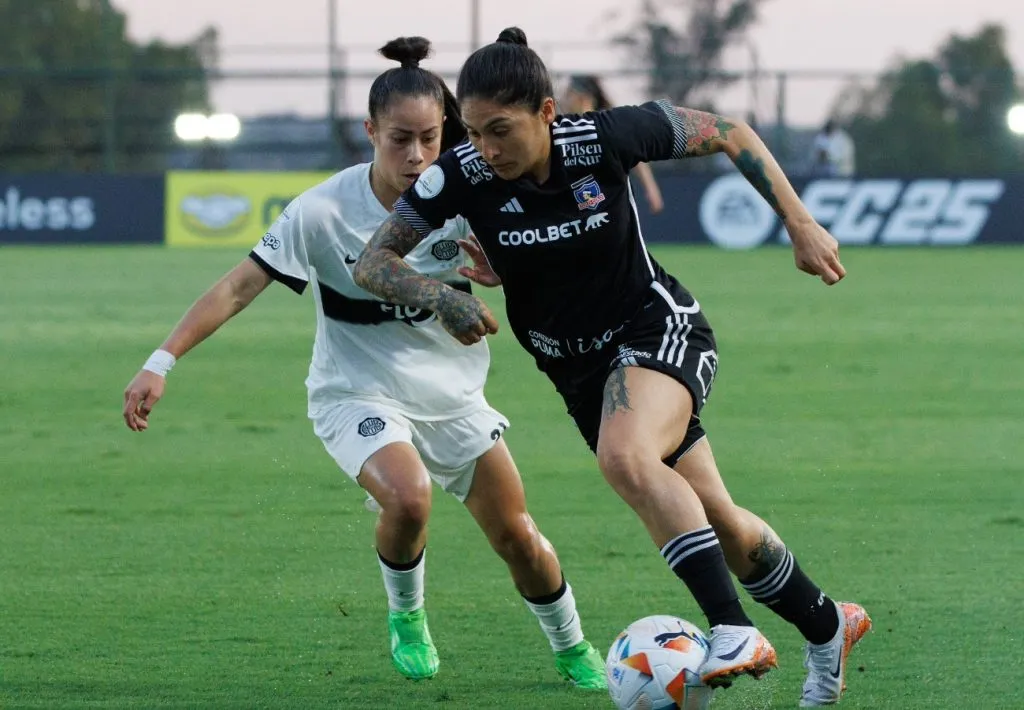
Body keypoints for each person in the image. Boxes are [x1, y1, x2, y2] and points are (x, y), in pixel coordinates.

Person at [353, 27, 871, 707]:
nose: (486, 148)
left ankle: (733, 628)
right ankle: (828, 625)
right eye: (473, 132)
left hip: (656, 329)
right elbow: (373, 262)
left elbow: (729, 132)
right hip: (577, 374)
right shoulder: (461, 175)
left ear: (546, 112)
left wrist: (799, 223)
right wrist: (439, 297)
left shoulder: (603, 138)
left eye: (500, 130)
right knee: (716, 517)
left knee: (625, 459)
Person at [121, 36, 606, 690]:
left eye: (431, 139)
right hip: (355, 393)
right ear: (371, 132)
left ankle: (572, 647)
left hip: (453, 398)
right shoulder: (322, 210)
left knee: (518, 536)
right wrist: (160, 361)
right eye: (400, 139)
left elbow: (545, 264)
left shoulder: (471, 194)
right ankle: (407, 616)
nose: (417, 156)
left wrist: (505, 272)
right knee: (409, 497)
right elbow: (237, 287)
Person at [562, 74, 664, 214]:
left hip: (608, 204)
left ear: (583, 98)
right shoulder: (566, 128)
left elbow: (635, 154)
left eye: (570, 94)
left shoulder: (607, 126)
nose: (566, 99)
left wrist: (651, 189)